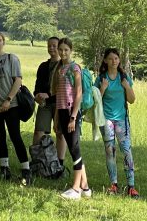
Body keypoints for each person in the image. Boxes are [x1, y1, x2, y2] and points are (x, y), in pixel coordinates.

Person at [0, 31, 32, 184]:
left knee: (15, 136)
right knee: (0, 137)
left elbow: (17, 80)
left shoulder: (11, 58)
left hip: (12, 106)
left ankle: (26, 169)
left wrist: (8, 100)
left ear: (3, 42)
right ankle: (4, 168)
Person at [95, 48, 139, 198]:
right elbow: (96, 101)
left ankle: (131, 186)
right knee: (110, 151)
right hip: (106, 119)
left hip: (121, 119)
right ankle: (113, 184)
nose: (114, 61)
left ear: (119, 60)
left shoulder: (124, 78)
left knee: (126, 150)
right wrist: (103, 88)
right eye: (110, 58)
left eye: (116, 58)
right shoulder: (101, 78)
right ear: (105, 61)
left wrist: (127, 86)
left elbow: (132, 100)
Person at [53, 37, 91, 199]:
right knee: (72, 148)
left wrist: (73, 117)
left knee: (75, 149)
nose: (63, 52)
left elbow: (79, 94)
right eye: (60, 49)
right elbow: (58, 96)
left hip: (71, 112)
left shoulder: (75, 68)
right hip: (62, 112)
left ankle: (76, 189)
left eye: (66, 50)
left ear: (71, 51)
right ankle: (85, 187)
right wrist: (56, 117)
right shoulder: (60, 69)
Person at [33, 36, 67, 166]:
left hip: (60, 104)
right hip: (45, 104)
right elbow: (37, 86)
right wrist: (37, 95)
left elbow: (65, 90)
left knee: (60, 133)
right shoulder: (43, 66)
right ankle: (37, 162)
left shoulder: (65, 66)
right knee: (39, 131)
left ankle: (59, 164)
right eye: (49, 46)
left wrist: (48, 95)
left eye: (54, 46)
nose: (51, 48)